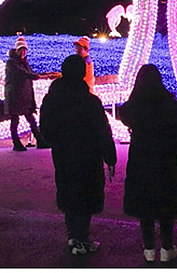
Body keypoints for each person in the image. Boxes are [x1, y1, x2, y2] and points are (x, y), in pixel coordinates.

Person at [39, 54, 116, 256]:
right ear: (82, 73)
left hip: (63, 154)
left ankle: (74, 236)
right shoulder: (90, 101)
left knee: (68, 192)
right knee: (86, 195)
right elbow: (102, 130)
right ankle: (81, 239)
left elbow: (45, 127)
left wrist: (57, 142)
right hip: (88, 156)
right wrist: (110, 157)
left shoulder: (52, 98)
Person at [118, 64, 177, 263]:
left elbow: (124, 113)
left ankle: (149, 248)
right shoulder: (170, 104)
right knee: (165, 204)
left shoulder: (134, 105)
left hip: (141, 159)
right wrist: (174, 148)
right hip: (164, 160)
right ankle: (167, 247)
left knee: (145, 206)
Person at [4, 36, 52, 150]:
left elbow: (30, 72)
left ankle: (40, 140)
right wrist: (39, 77)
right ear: (16, 50)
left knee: (31, 118)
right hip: (15, 95)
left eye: (25, 50)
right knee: (15, 119)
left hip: (25, 95)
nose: (23, 52)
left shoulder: (24, 62)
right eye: (21, 49)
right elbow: (24, 73)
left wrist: (45, 74)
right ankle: (16, 142)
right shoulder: (12, 63)